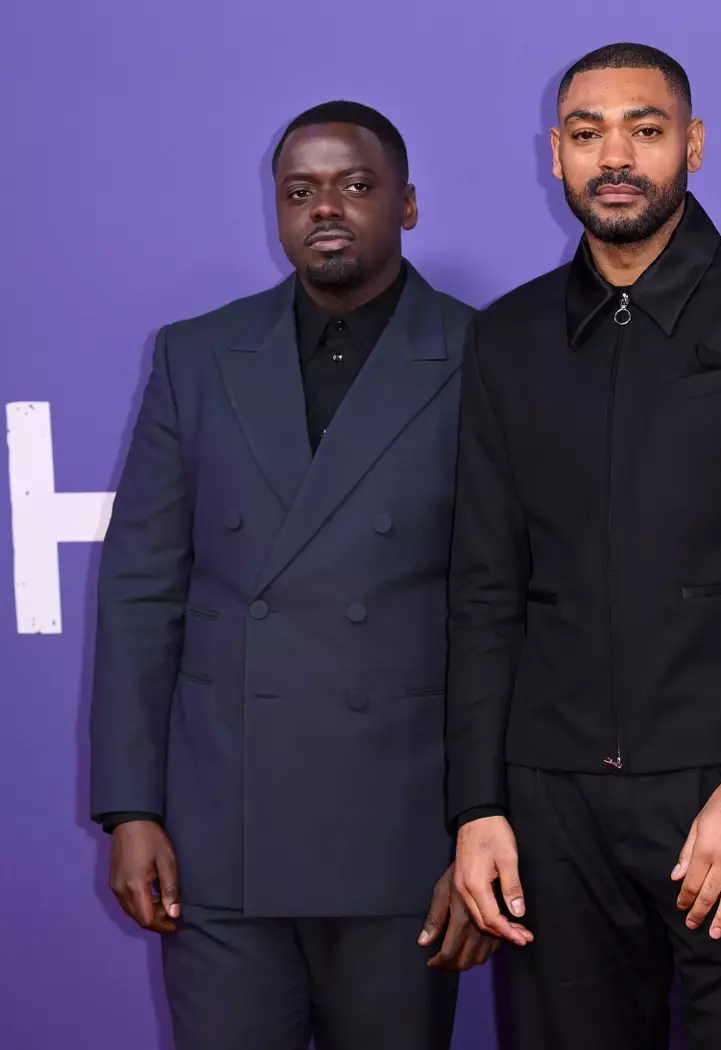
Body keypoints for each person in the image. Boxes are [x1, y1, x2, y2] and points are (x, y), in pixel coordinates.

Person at [446, 41, 721, 1050]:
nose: (616, 156)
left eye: (645, 128)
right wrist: (479, 805)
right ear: (557, 155)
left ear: (694, 144)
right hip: (552, 811)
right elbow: (484, 589)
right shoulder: (506, 337)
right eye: (588, 134)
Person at [90, 100, 492, 1050]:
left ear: (408, 205)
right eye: (300, 191)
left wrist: (485, 825)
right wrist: (130, 809)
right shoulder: (195, 355)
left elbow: (502, 609)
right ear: (275, 212)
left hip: (403, 835)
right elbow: (143, 589)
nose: (327, 209)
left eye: (357, 186)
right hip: (222, 835)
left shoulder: (488, 352)